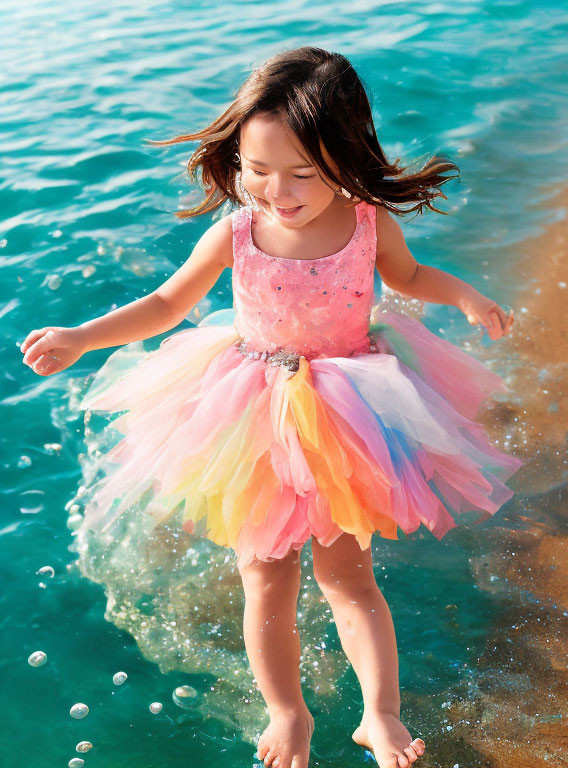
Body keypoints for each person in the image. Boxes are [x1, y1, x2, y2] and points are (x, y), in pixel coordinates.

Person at [19, 46, 523, 768]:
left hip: (349, 410)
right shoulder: (236, 234)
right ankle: (289, 712)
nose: (274, 191)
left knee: (348, 577)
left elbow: (409, 277)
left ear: (345, 158)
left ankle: (379, 713)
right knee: (265, 576)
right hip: (251, 411)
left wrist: (467, 295)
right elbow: (165, 305)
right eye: (256, 171)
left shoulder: (368, 222)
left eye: (300, 175)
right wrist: (81, 337)